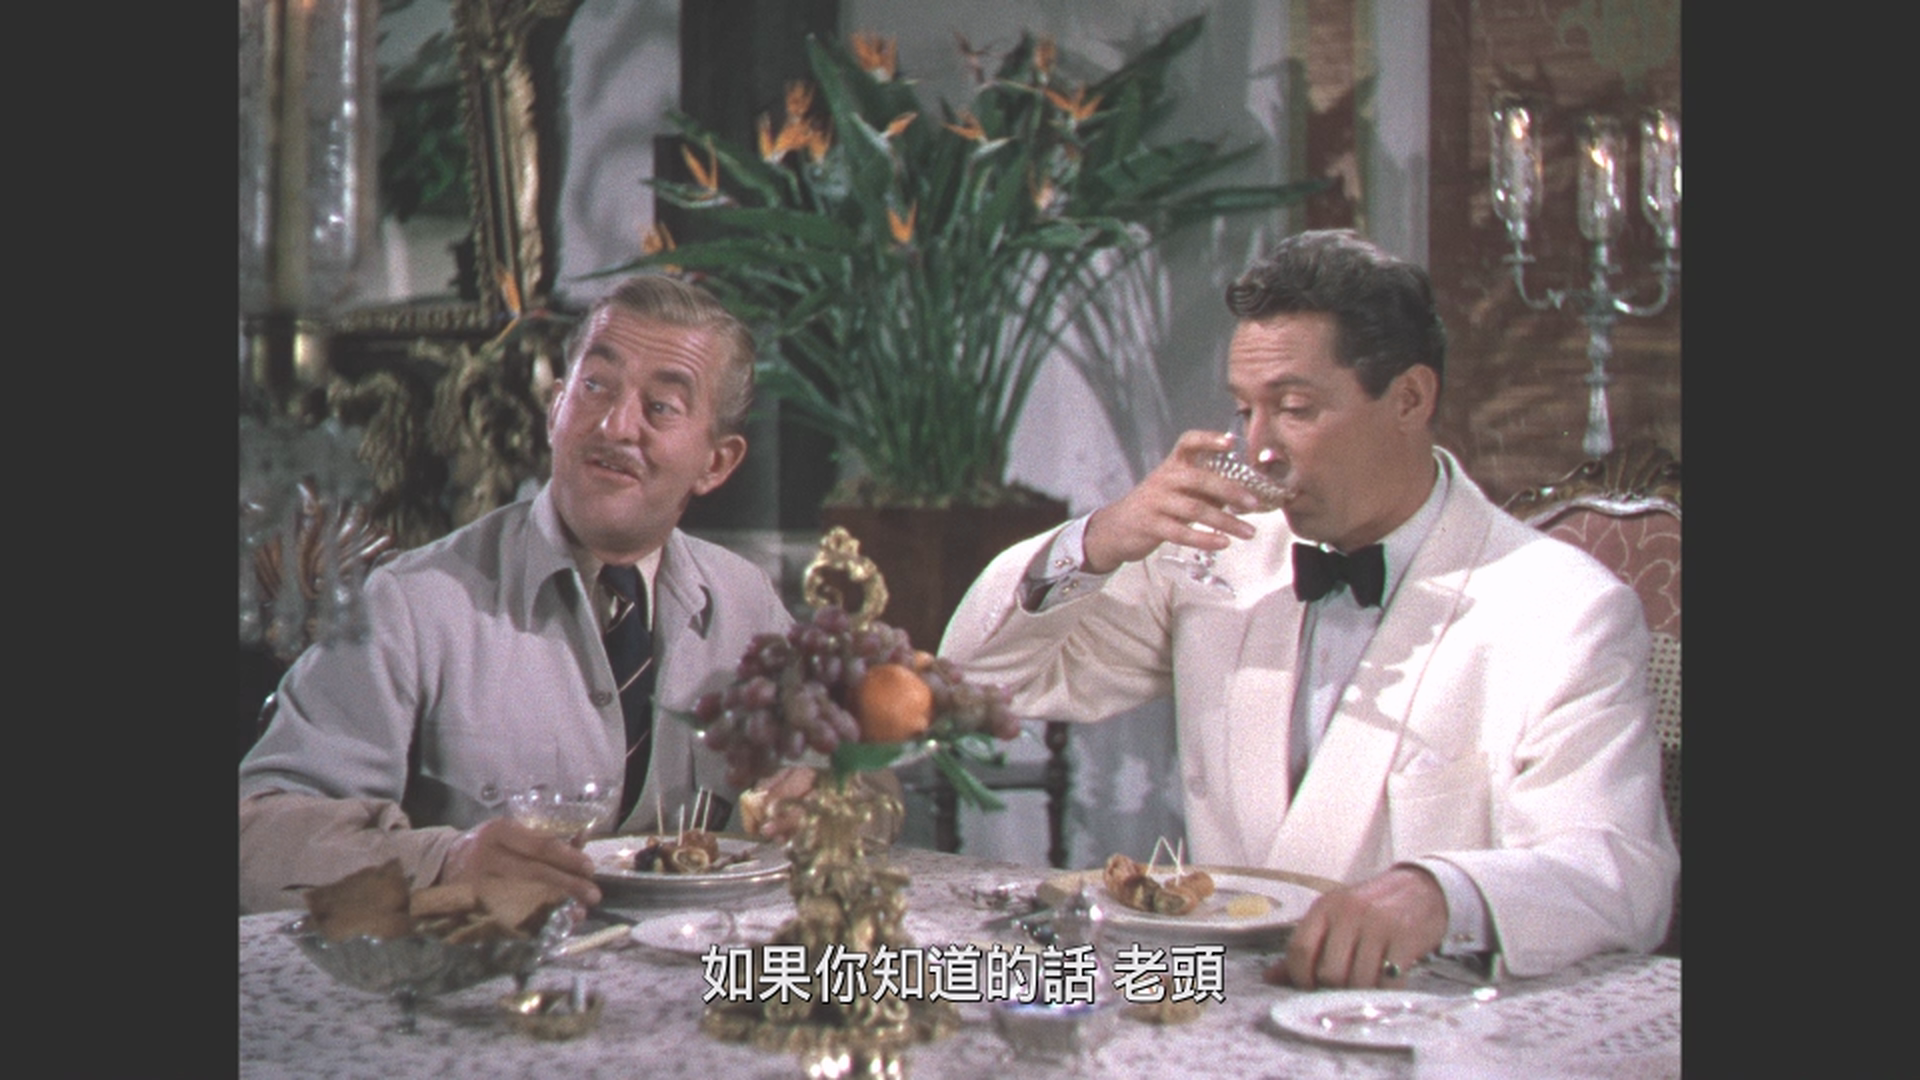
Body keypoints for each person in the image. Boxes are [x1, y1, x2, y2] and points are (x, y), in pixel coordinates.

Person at [940, 230, 1678, 986]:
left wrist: (1441, 893)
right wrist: (1098, 541)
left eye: (1294, 408)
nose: (1258, 448)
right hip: (1217, 1008)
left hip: (1429, 1024)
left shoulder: (1563, 609)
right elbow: (976, 681)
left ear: (1410, 399)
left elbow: (1619, 872)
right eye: (1244, 410)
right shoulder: (1218, 555)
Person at [240, 274, 794, 914]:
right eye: (595, 387)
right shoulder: (411, 605)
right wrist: (442, 862)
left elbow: (847, 776)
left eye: (662, 407)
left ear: (716, 463)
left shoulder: (747, 605)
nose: (615, 425)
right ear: (556, 408)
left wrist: (822, 796)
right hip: (484, 973)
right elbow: (256, 835)